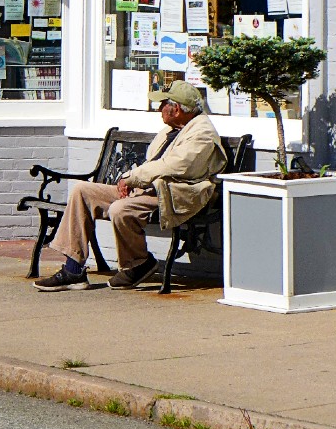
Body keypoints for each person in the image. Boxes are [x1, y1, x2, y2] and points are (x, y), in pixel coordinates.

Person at [34, 80, 228, 291]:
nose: (158, 109)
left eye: (162, 104)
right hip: (150, 190)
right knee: (83, 191)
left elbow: (175, 166)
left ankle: (138, 263)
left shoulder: (202, 133)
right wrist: (133, 182)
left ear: (177, 109)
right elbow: (154, 164)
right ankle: (73, 270)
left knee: (120, 209)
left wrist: (132, 178)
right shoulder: (171, 129)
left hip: (176, 195)